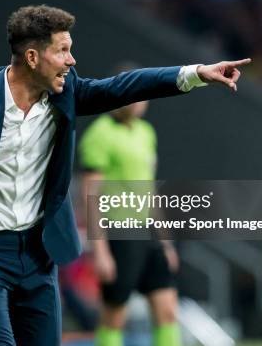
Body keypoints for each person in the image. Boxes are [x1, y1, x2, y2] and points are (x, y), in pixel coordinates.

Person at [0, 4, 250, 345]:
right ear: (32, 57)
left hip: (37, 253)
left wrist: (196, 74)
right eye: (63, 50)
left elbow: (123, 87)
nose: (71, 60)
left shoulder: (67, 93)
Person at [78, 98, 180, 346]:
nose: (139, 103)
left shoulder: (146, 132)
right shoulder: (100, 134)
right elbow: (89, 194)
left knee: (167, 309)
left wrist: (166, 242)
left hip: (148, 232)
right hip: (119, 231)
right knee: (115, 315)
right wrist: (100, 250)